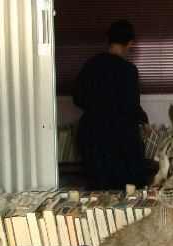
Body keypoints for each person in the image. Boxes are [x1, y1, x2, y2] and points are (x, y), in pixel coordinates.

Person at [73, 20, 150, 190]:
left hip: (92, 139)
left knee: (97, 194)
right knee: (127, 191)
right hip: (120, 143)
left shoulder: (91, 65)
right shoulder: (128, 70)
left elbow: (78, 98)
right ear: (130, 42)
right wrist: (143, 121)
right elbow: (130, 105)